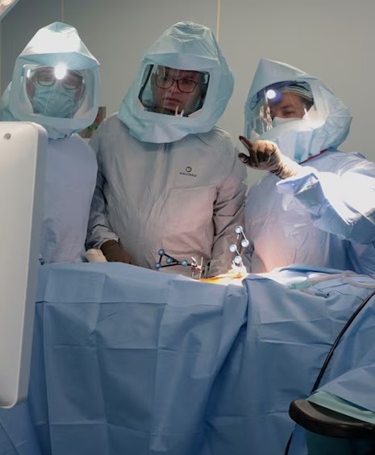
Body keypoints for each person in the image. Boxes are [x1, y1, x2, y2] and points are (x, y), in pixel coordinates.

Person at [86, 22, 246, 277]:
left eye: (187, 81)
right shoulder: (113, 132)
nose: (172, 88)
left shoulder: (220, 149)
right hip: (116, 276)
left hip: (187, 286)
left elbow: (230, 228)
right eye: (165, 77)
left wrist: (218, 282)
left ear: (205, 89)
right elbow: (90, 198)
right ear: (150, 78)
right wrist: (106, 242)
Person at [239, 59, 375, 275]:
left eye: (287, 112)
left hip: (336, 297)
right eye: (271, 117)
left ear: (318, 112)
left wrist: (291, 173)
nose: (277, 121)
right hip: (267, 296)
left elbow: (363, 224)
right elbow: (248, 254)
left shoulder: (352, 169)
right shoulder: (259, 191)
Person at [0, 22, 100, 264]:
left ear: (81, 92)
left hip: (67, 276)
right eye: (45, 77)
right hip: (9, 272)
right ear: (27, 83)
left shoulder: (83, 154)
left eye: (70, 80)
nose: (57, 87)